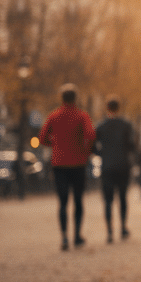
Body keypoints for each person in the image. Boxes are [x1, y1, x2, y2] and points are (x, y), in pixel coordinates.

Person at [40, 84, 96, 251]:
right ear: (76, 98)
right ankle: (77, 235)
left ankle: (64, 237)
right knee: (78, 200)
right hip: (78, 162)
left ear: (61, 98)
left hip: (59, 164)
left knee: (62, 202)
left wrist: (55, 144)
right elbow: (91, 135)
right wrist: (85, 151)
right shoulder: (81, 116)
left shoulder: (54, 116)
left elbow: (42, 138)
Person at [95, 98, 137, 242]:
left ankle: (109, 231)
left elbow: (92, 145)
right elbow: (132, 145)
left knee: (108, 200)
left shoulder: (101, 126)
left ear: (107, 109)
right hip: (123, 165)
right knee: (123, 198)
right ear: (118, 108)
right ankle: (123, 227)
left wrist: (102, 154)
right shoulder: (126, 125)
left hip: (107, 166)